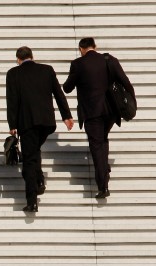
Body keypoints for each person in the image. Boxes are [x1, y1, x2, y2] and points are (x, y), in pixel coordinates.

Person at [63, 37, 135, 199]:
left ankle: (103, 185)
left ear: (81, 49)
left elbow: (67, 88)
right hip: (110, 110)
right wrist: (132, 102)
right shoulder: (109, 60)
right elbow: (125, 82)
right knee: (103, 138)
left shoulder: (78, 64)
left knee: (96, 145)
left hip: (91, 111)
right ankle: (104, 167)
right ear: (95, 47)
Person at [6, 46, 74, 213]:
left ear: (18, 59)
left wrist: (12, 124)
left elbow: (12, 100)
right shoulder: (47, 70)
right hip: (46, 122)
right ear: (32, 56)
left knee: (29, 160)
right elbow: (59, 94)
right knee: (34, 150)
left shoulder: (13, 73)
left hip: (27, 123)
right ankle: (40, 180)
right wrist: (66, 116)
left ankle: (32, 200)